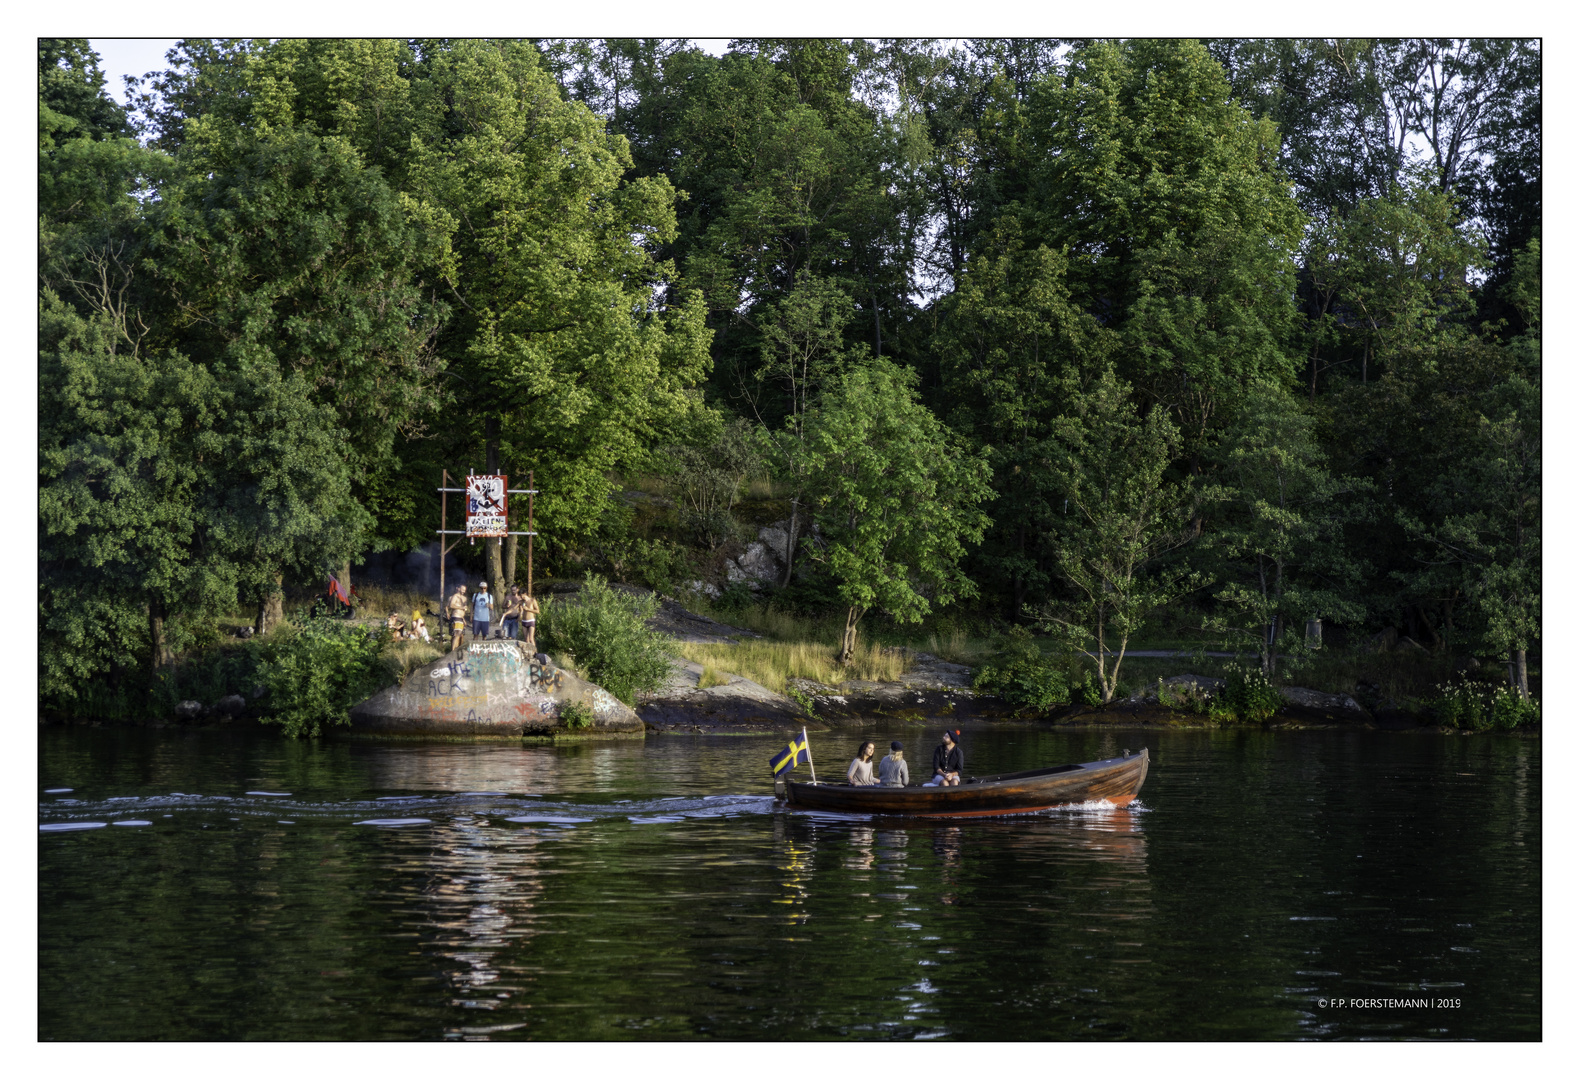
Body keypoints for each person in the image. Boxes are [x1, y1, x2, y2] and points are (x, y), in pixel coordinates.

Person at [445, 584, 469, 652]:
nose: (464, 591)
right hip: (456, 617)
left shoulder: (465, 598)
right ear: (459, 589)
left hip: (461, 618)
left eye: (465, 590)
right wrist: (447, 613)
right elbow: (451, 605)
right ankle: (453, 651)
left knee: (460, 635)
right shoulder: (455, 596)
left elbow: (464, 610)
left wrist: (463, 619)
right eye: (462, 589)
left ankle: (457, 650)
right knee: (456, 634)